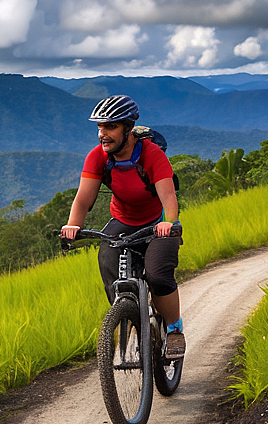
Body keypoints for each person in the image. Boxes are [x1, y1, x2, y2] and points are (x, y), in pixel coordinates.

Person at [60, 94, 186, 359]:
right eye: (99, 127)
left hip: (158, 223)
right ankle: (130, 316)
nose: (102, 134)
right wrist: (73, 225)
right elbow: (83, 199)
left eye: (110, 127)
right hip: (123, 221)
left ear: (128, 128)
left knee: (158, 275)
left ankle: (174, 330)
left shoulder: (151, 155)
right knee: (108, 262)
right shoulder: (98, 158)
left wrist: (168, 222)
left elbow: (169, 198)